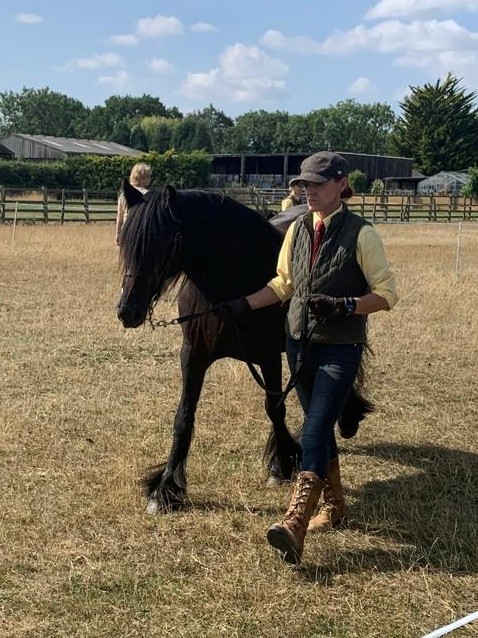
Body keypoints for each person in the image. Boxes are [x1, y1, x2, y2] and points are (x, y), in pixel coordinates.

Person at [216, 151, 398, 565]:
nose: (308, 191)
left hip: (339, 348)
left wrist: (345, 305)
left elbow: (387, 295)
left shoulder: (362, 234)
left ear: (341, 183)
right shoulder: (298, 228)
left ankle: (295, 524)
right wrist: (243, 305)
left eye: (317, 184)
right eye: (305, 184)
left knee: (313, 431)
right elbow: (283, 284)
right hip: (299, 344)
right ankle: (334, 507)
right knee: (318, 427)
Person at [115, 162, 152, 245]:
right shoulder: (148, 195)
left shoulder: (123, 195)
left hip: (126, 229)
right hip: (142, 230)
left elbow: (119, 216)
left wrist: (117, 233)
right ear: (142, 178)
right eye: (148, 177)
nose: (150, 179)